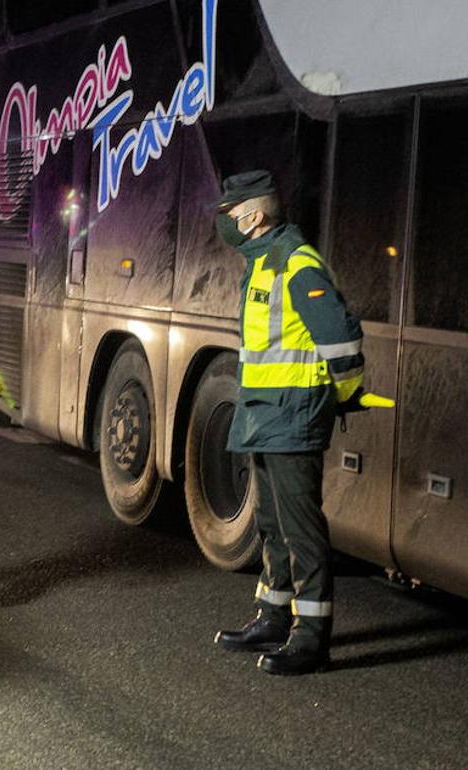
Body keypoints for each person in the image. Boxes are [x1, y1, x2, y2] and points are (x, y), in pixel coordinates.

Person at [211, 170, 369, 676]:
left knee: (301, 530)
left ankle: (311, 638)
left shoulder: (296, 265)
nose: (226, 223)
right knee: (272, 524)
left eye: (232, 215)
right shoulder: (262, 264)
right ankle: (273, 617)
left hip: (293, 415)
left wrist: (342, 395)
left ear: (254, 216)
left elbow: (342, 339)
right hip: (264, 414)